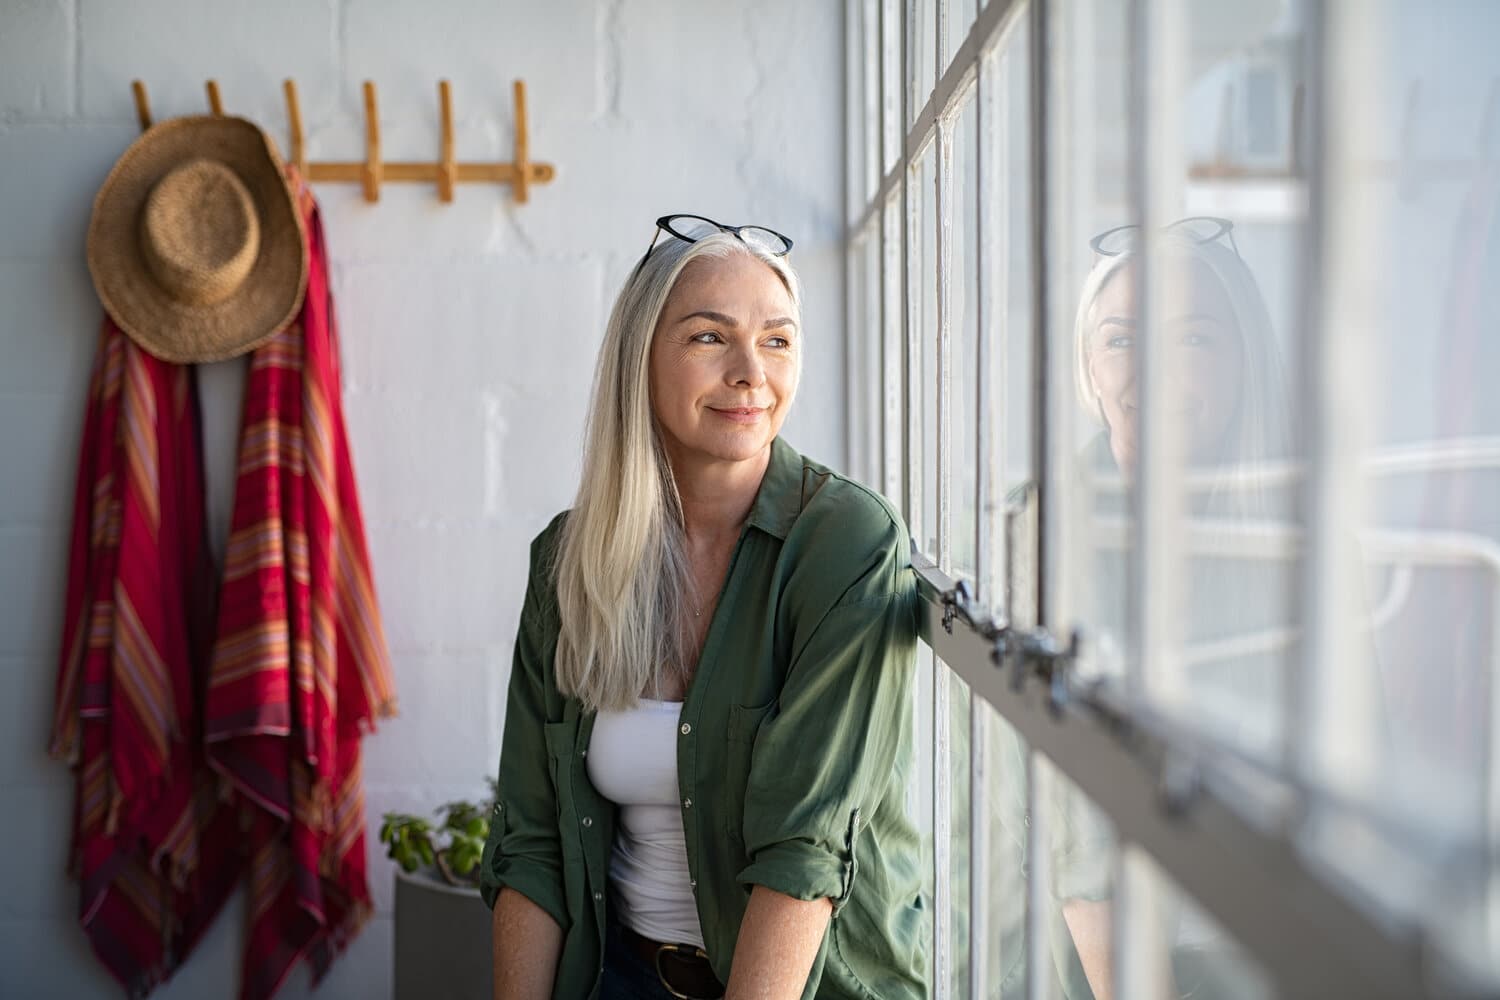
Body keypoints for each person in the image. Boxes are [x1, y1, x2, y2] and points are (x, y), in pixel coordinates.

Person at [480, 215, 929, 1000]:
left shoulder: (846, 545)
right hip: (616, 973)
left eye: (778, 340)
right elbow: (534, 837)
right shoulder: (568, 559)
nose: (752, 372)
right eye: (709, 338)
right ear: (641, 359)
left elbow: (804, 853)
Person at [1052, 217, 1299, 1000]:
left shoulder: (1299, 534)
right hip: (1082, 968)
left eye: (1191, 340)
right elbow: (1072, 840)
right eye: (1121, 340)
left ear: (1243, 359)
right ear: (1088, 366)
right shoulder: (1037, 531)